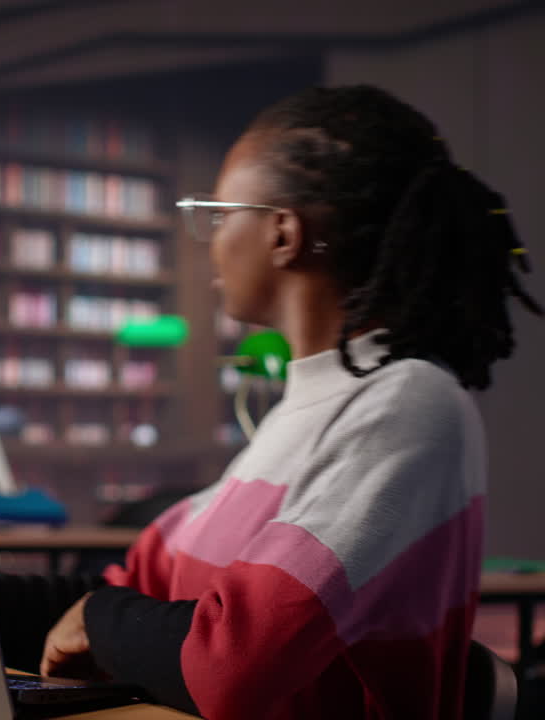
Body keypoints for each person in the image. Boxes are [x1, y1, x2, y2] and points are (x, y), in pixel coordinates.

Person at [40, 85, 539, 719]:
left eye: (220, 215)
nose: (211, 240)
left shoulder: (409, 403)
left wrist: (100, 618)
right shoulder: (301, 415)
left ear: (283, 233)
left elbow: (234, 662)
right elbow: (137, 596)